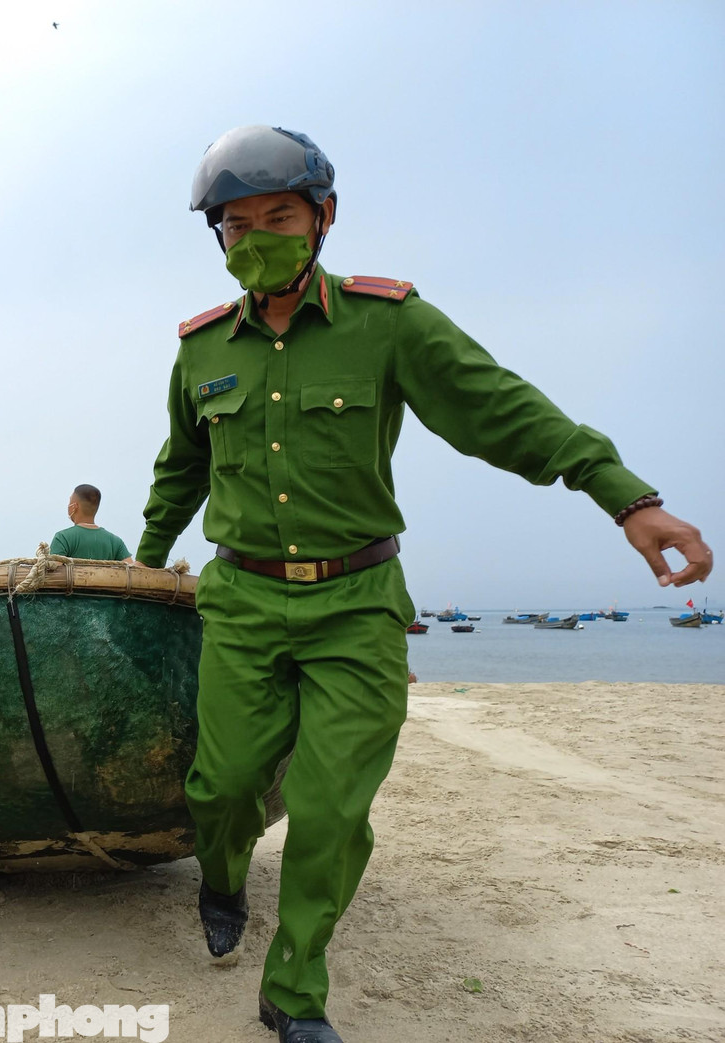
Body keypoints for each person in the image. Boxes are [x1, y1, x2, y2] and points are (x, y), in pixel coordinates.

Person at [135, 125, 713, 1043]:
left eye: (277, 216)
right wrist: (146, 553)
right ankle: (222, 873)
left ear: (324, 216)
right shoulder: (203, 349)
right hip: (241, 604)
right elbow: (181, 464)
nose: (255, 239)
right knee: (223, 785)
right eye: (234, 226)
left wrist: (624, 495)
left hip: (357, 606)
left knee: (330, 809)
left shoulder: (388, 322)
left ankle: (293, 991)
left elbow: (500, 406)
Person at [49, 484, 134, 561]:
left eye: (70, 502)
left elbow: (53, 572)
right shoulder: (116, 542)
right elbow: (132, 572)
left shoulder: (62, 538)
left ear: (74, 507)